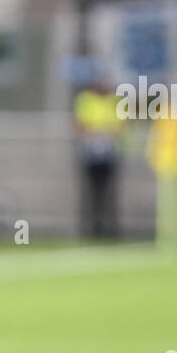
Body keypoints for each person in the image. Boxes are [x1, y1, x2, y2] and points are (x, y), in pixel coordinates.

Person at [73, 78, 124, 239]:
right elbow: (79, 125)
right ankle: (92, 227)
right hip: (90, 152)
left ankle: (110, 227)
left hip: (109, 152)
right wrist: (95, 133)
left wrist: (106, 131)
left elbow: (122, 126)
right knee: (91, 192)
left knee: (109, 192)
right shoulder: (86, 100)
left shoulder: (115, 101)